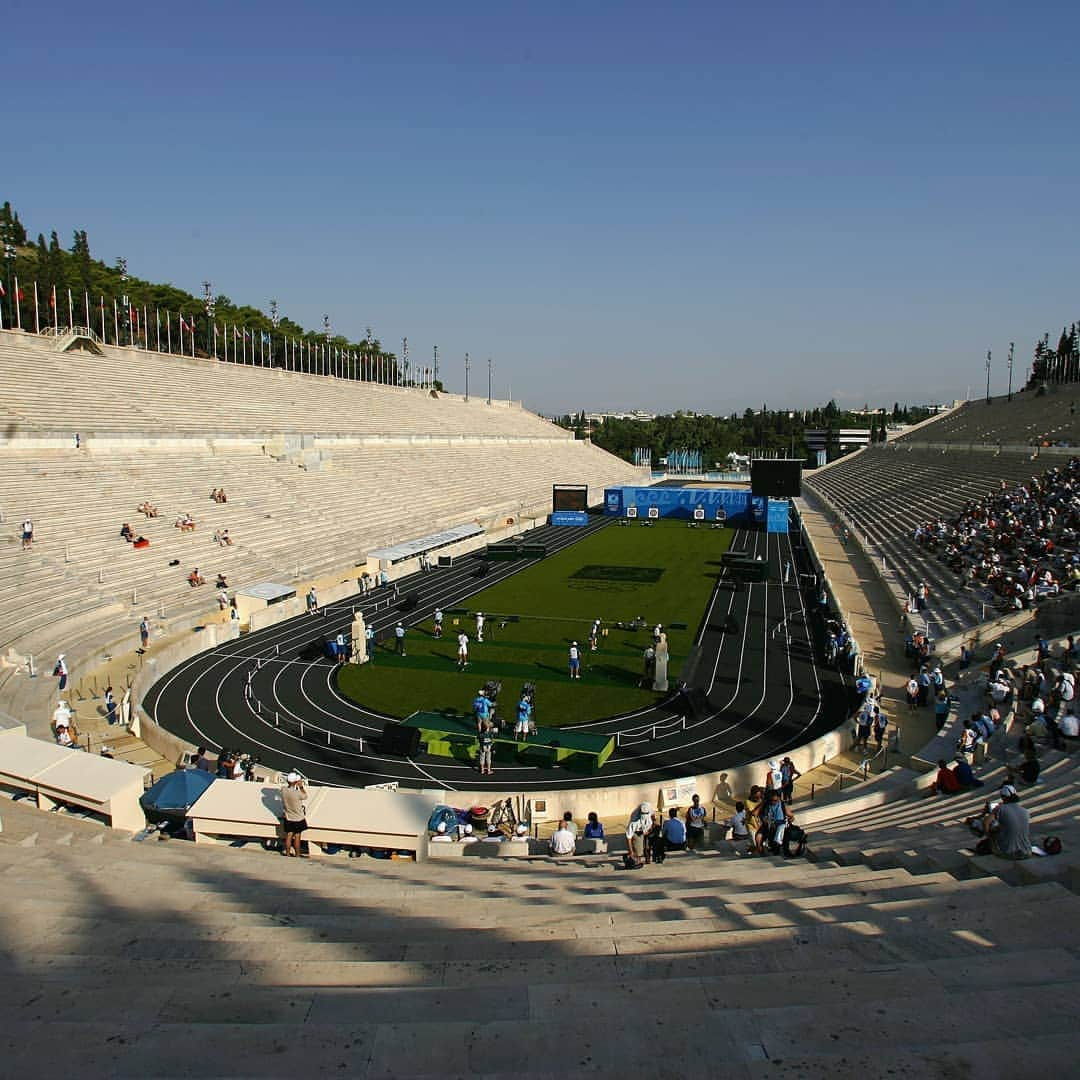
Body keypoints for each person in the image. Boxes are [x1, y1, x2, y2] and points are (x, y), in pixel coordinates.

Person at [987, 785, 1032, 860]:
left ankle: (995, 849)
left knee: (991, 831)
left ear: (1003, 797)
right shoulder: (1025, 810)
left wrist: (989, 835)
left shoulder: (1000, 808)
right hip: (1027, 852)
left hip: (1009, 853)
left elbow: (986, 823)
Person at [280, 771, 308, 857]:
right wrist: (301, 786)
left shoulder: (283, 790)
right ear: (295, 782)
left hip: (288, 817)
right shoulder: (297, 793)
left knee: (289, 835)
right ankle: (297, 854)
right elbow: (305, 796)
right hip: (298, 818)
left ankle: (288, 853)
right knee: (297, 836)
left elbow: (285, 789)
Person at [755, 790, 792, 855]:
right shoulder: (766, 805)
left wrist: (788, 822)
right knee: (758, 837)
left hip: (780, 826)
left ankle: (782, 851)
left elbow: (791, 816)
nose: (774, 802)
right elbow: (755, 813)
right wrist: (763, 803)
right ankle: (763, 855)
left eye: (775, 800)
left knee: (780, 837)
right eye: (772, 800)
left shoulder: (782, 805)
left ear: (778, 798)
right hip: (768, 826)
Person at [624, 803, 652, 868]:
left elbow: (650, 823)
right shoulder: (634, 822)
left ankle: (645, 858)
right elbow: (628, 837)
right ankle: (635, 858)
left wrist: (647, 831)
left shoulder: (648, 810)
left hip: (644, 830)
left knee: (646, 846)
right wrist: (631, 851)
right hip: (636, 832)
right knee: (638, 849)